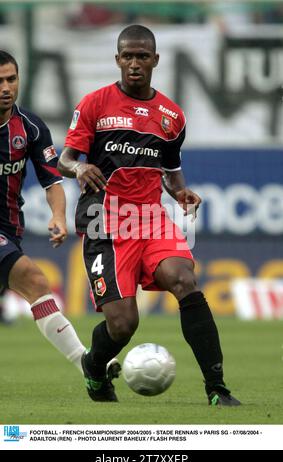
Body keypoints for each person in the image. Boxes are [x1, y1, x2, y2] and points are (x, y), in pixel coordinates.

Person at [58, 25, 241, 406]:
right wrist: (78, 170)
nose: (135, 64)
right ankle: (94, 367)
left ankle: (217, 388)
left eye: (143, 56)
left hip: (152, 219)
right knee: (124, 325)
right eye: (128, 56)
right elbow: (66, 158)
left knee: (185, 280)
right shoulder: (94, 104)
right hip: (104, 221)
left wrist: (179, 191)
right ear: (117, 60)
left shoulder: (171, 116)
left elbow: (170, 169)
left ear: (156, 60)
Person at [0, 50, 86, 374]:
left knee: (34, 285)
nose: (6, 87)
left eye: (11, 79)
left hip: (9, 229)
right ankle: (87, 365)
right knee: (35, 280)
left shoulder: (31, 127)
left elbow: (52, 182)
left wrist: (59, 217)